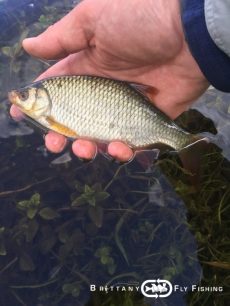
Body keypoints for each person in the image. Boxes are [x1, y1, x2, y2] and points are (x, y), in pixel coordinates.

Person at [10, 0, 230, 162]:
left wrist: (188, 24)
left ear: (41, 97)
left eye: (24, 96)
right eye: (24, 95)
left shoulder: (50, 113)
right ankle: (187, 143)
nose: (18, 97)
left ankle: (186, 143)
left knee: (107, 148)